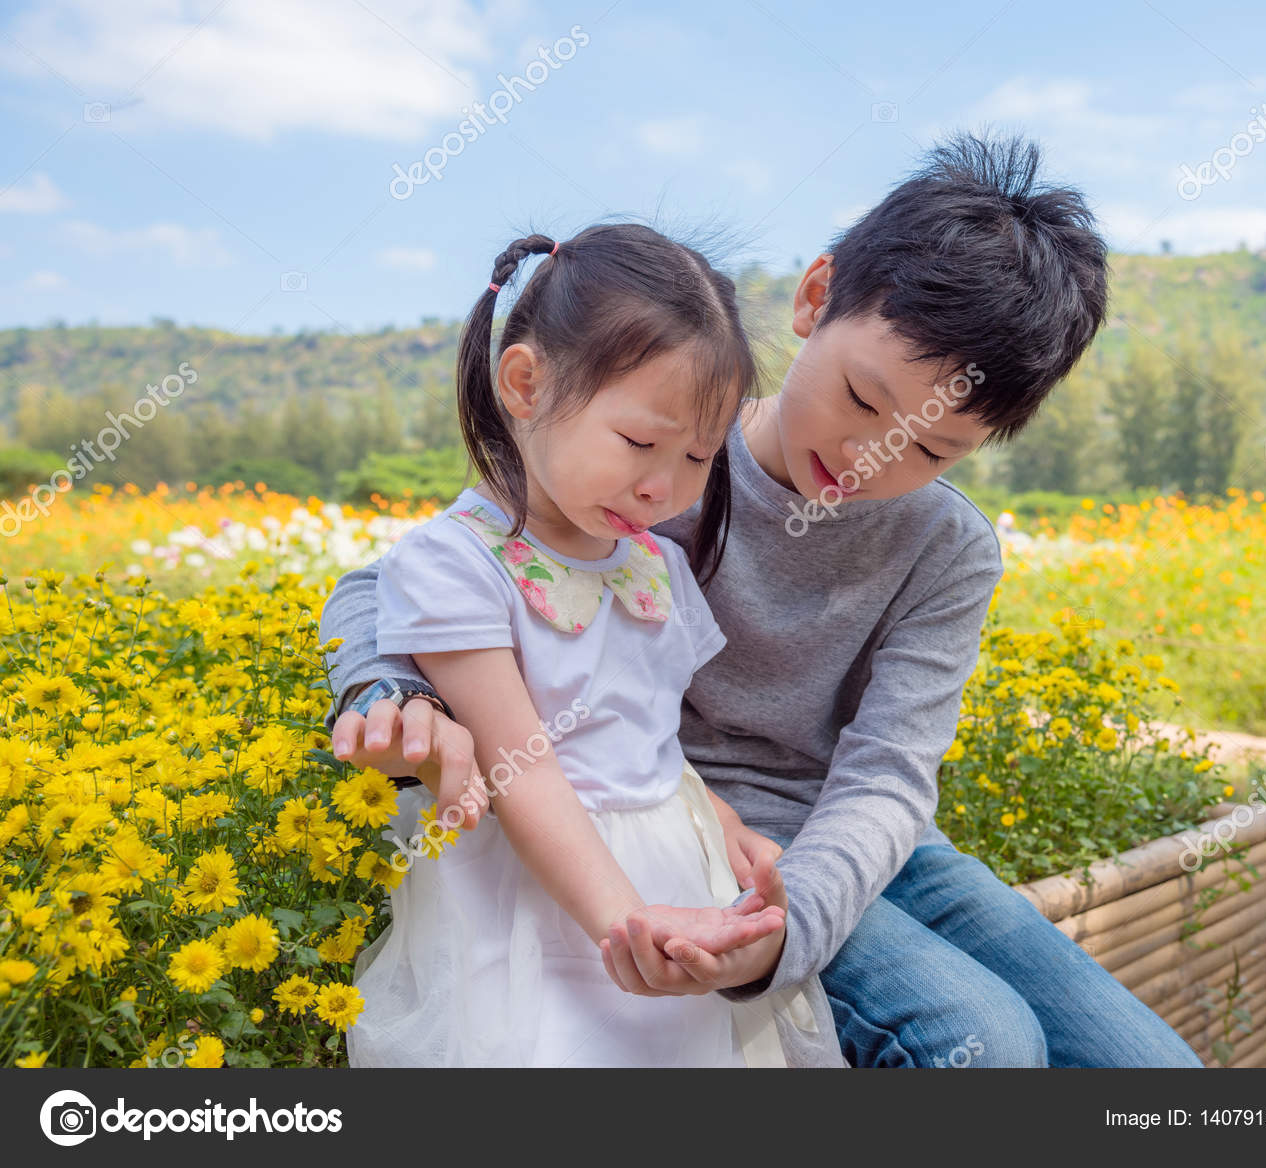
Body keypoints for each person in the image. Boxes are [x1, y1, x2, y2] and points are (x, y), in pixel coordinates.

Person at [324, 134, 1203, 1068]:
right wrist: (393, 693)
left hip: (857, 846)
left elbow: (889, 777)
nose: (874, 457)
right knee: (981, 1044)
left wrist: (797, 928)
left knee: (1153, 1071)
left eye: (934, 450)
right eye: (865, 400)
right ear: (815, 296)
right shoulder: (660, 461)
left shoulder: (945, 548)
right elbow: (393, 581)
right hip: (687, 831)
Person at [345, 223, 843, 1067]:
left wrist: (724, 826)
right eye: (641, 443)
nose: (666, 487)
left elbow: (650, 744)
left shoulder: (656, 566)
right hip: (537, 897)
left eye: (696, 457)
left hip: (672, 879)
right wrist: (624, 920)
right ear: (525, 384)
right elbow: (521, 770)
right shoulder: (457, 563)